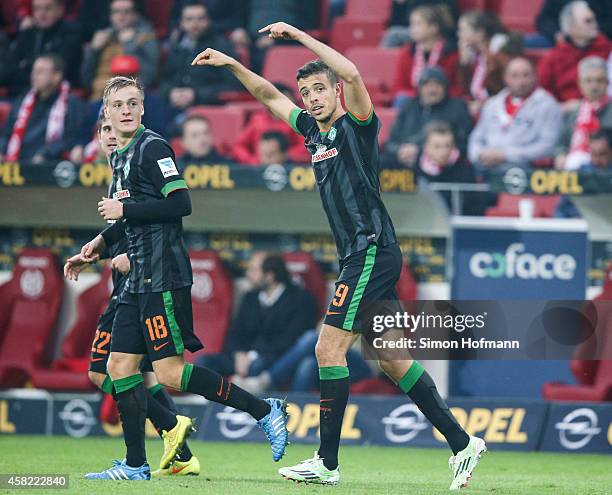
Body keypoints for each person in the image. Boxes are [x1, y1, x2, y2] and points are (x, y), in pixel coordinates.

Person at [193, 21, 482, 490]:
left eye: (319, 89)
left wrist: (299, 37)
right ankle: (463, 444)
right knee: (392, 359)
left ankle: (326, 462)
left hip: (370, 248)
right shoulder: (310, 131)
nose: (311, 97)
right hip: (365, 253)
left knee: (329, 348)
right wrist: (231, 63)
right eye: (305, 91)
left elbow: (352, 73)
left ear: (335, 91)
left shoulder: (358, 126)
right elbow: (269, 95)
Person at [74, 76, 288, 480]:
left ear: (142, 108)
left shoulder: (153, 148)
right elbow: (128, 218)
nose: (126, 110)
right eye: (118, 104)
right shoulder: (119, 156)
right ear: (106, 112)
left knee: (170, 373)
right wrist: (97, 246)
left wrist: (125, 214)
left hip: (162, 275)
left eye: (133, 103)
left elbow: (180, 203)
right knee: (118, 366)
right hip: (136, 279)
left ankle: (264, 410)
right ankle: (136, 464)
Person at [63, 112, 201, 477]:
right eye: (104, 130)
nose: (110, 136)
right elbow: (126, 228)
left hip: (143, 283)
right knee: (124, 373)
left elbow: (165, 214)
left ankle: (163, 440)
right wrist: (99, 249)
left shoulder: (144, 157)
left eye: (114, 129)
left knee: (124, 371)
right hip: (126, 285)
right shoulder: (118, 172)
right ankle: (173, 440)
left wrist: (128, 255)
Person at [198, 252, 316, 379]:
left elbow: (291, 340)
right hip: (244, 358)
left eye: (253, 270)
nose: (248, 274)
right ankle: (204, 398)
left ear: (270, 275)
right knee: (204, 362)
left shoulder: (299, 299)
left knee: (257, 366)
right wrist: (239, 354)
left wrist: (252, 356)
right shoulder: (250, 297)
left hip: (274, 358)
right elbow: (234, 332)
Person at [468, 57, 562, 169]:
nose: (521, 81)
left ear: (536, 77)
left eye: (526, 75)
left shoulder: (548, 105)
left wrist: (506, 155)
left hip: (527, 171)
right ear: (505, 78)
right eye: (514, 75)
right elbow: (476, 138)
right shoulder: (492, 104)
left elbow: (548, 146)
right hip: (487, 168)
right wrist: (479, 155)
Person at [0, 54, 82, 164]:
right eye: (34, 71)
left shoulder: (71, 103)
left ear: (57, 76)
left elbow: (69, 140)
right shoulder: (22, 101)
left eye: (40, 72)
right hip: (16, 162)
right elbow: (6, 134)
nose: (34, 76)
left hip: (48, 164)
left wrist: (45, 155)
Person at [160, 1, 240, 112]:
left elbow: (232, 87)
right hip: (174, 106)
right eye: (189, 19)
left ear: (208, 21)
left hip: (209, 108)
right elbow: (164, 81)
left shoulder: (221, 47)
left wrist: (196, 95)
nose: (195, 23)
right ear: (181, 23)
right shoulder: (176, 48)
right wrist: (170, 93)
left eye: (200, 18)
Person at [385, 66, 472, 168]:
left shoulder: (457, 108)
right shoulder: (409, 106)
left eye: (437, 84)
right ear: (420, 88)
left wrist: (420, 151)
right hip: (403, 160)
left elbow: (462, 143)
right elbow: (391, 141)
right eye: (427, 85)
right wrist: (399, 150)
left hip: (442, 165)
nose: (432, 90)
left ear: (445, 87)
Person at [538, 1, 612, 108]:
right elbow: (542, 94)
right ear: (571, 27)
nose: (595, 24)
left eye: (594, 19)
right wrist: (562, 107)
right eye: (588, 21)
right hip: (567, 116)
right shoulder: (553, 58)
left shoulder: (608, 49)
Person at [81, 0, 160, 100]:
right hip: (99, 97)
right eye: (116, 12)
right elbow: (85, 79)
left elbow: (149, 76)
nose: (121, 17)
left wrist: (127, 44)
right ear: (110, 15)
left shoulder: (146, 38)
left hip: (128, 98)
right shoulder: (102, 37)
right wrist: (94, 50)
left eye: (127, 12)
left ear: (136, 15)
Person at [2, 0, 82, 96]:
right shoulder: (28, 33)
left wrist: (26, 66)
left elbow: (57, 68)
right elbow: (11, 65)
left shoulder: (72, 33)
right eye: (37, 9)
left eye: (48, 9)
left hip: (59, 94)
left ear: (60, 10)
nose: (42, 14)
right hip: (22, 92)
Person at [457, 10, 522, 115]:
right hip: (478, 106)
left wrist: (484, 104)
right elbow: (466, 89)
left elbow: (505, 89)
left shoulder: (500, 53)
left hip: (498, 109)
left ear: (480, 33)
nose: (459, 34)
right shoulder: (473, 54)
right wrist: (465, 64)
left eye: (463, 30)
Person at [392, 5, 460, 100]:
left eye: (418, 24)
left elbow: (457, 88)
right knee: (402, 99)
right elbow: (399, 86)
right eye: (412, 24)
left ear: (433, 28)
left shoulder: (450, 53)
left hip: (443, 101)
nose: (412, 29)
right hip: (413, 100)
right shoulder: (408, 52)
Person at [556, 56, 612, 169]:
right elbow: (561, 143)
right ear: (580, 84)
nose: (594, 86)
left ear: (607, 83)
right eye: (588, 80)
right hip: (572, 167)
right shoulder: (573, 112)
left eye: (599, 80)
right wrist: (560, 155)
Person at [233, 83, 310, 165]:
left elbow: (306, 146)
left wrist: (283, 156)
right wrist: (253, 161)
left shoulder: (298, 120)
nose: (285, 104)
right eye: (281, 100)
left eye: (288, 101)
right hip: (259, 168)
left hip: (288, 167)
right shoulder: (258, 120)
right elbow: (239, 146)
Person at [555, 130, 611, 217]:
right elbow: (562, 210)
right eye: (593, 154)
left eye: (602, 154)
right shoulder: (578, 175)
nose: (597, 160)